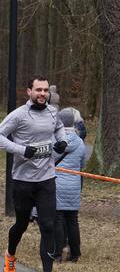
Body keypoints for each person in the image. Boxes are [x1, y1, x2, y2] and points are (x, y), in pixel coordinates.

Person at [0, 75, 67, 272]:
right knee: (22, 224)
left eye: (45, 90)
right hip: (23, 181)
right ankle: (10, 254)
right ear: (29, 92)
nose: (42, 94)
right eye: (38, 90)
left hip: (47, 179)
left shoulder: (53, 112)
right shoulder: (19, 115)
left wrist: (62, 141)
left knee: (48, 225)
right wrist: (22, 150)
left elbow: (59, 127)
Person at [53, 108, 86, 263]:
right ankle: (75, 254)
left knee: (58, 219)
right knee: (73, 220)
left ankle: (58, 253)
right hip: (73, 184)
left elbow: (49, 159)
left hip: (57, 183)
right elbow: (81, 164)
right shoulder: (80, 142)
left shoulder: (56, 140)